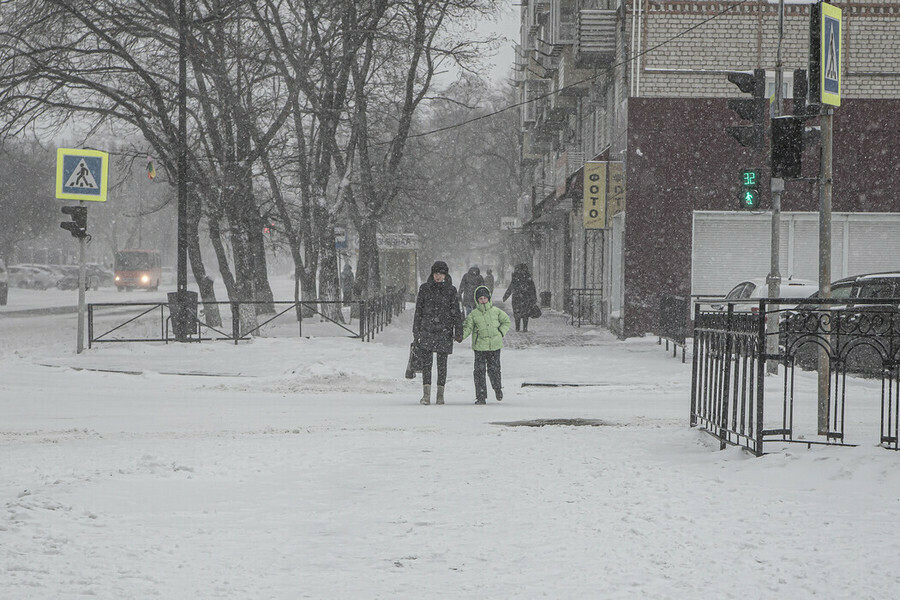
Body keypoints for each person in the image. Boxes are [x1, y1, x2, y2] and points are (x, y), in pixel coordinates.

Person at [412, 261, 463, 405]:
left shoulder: (451, 290)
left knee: (442, 364)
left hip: (444, 331)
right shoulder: (425, 289)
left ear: (445, 274)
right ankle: (426, 394)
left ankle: (440, 394)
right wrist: (416, 330)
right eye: (436, 273)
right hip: (427, 330)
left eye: (440, 273)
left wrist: (458, 330)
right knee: (426, 364)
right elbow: (419, 311)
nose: (438, 276)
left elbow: (456, 312)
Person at [460, 285, 510, 404]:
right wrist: (460, 336)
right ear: (477, 300)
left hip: (495, 346)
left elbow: (506, 321)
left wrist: (500, 332)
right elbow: (468, 327)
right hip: (480, 347)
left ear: (489, 298)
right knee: (479, 371)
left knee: (494, 370)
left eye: (484, 298)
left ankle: (497, 388)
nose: (483, 300)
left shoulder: (496, 312)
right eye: (480, 298)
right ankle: (481, 395)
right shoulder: (473, 314)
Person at [502, 263, 537, 332]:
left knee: (518, 313)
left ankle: (518, 327)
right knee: (524, 313)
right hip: (525, 298)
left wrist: (506, 296)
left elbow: (511, 288)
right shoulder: (527, 278)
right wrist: (534, 298)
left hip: (517, 298)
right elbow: (533, 289)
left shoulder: (516, 278)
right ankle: (524, 328)